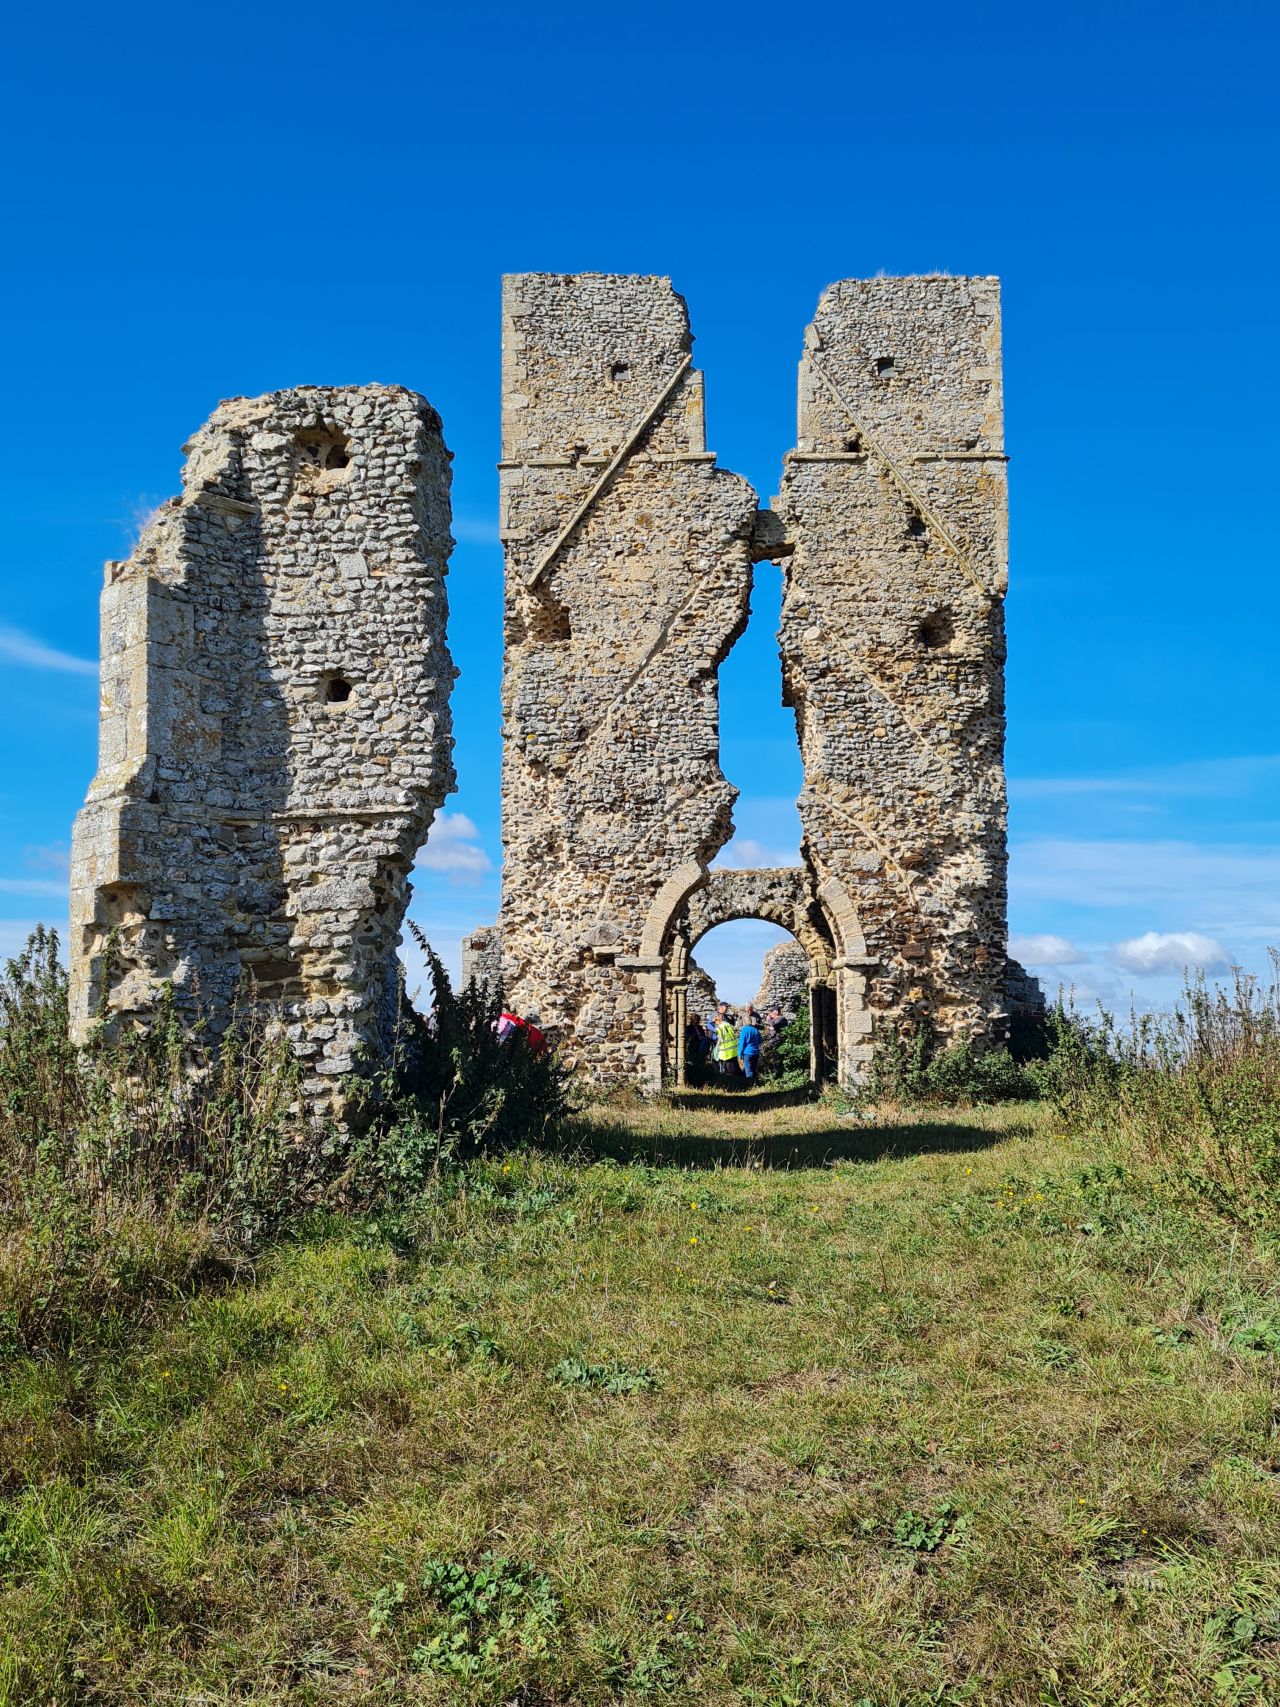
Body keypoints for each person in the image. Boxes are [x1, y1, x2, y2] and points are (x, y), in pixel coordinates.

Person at [738, 1010, 762, 1085]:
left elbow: (742, 1043)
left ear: (744, 1022)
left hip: (747, 1053)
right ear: (751, 1022)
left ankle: (750, 1085)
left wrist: (739, 1054)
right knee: (754, 1069)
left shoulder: (744, 1030)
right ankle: (756, 1083)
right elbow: (760, 1041)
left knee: (748, 1070)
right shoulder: (755, 1030)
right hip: (756, 1052)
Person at [714, 1007, 739, 1079]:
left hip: (726, 1050)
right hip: (733, 1048)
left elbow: (720, 1040)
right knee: (735, 1064)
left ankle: (731, 1080)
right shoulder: (728, 1025)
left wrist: (716, 1049)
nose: (715, 1023)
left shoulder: (719, 1028)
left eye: (715, 1021)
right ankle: (739, 1079)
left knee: (729, 1067)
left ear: (718, 1020)